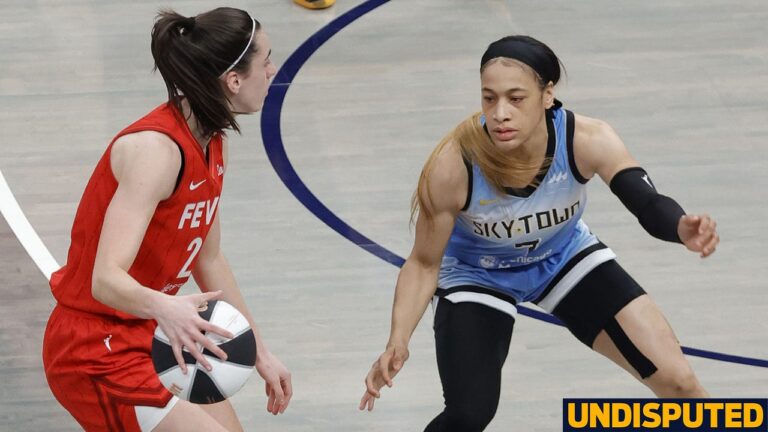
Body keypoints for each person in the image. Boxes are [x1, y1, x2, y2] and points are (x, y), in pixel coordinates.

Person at [359, 35, 719, 431]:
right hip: (478, 274)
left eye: (516, 98)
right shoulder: (453, 164)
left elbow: (647, 203)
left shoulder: (587, 138)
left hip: (562, 257)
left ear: (548, 95)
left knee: (682, 386)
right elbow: (424, 263)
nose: (500, 113)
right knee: (468, 415)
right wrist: (398, 339)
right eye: (489, 98)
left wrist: (679, 226)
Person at [42, 7, 291, 431]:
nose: (272, 70)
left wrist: (260, 350)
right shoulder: (156, 152)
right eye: (265, 61)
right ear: (233, 80)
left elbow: (208, 258)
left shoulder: (211, 141)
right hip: (95, 347)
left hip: (150, 333)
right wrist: (165, 307)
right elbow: (105, 279)